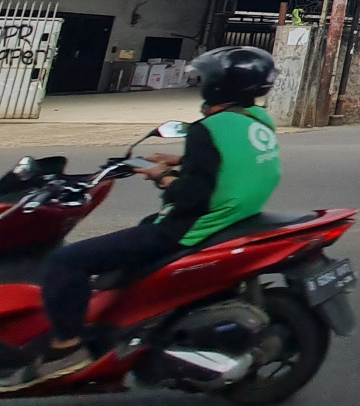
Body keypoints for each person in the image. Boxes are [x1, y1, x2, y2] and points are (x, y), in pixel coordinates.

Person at [5, 47, 283, 390]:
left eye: (207, 78)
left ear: (221, 85)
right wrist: (178, 161)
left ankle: (65, 349)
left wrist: (160, 176)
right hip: (230, 216)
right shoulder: (255, 121)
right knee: (134, 236)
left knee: (66, 262)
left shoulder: (207, 129)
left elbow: (191, 195)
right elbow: (229, 163)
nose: (202, 84)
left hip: (190, 226)